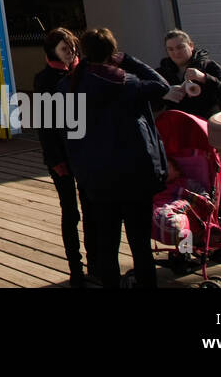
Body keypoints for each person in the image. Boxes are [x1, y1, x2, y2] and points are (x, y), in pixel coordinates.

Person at [59, 28, 170, 288]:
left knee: (107, 244)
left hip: (96, 176)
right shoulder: (126, 82)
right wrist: (129, 60)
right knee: (140, 244)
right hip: (134, 173)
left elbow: (66, 133)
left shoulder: (68, 85)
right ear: (112, 52)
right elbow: (162, 85)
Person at [35, 27, 91, 288]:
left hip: (90, 152)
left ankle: (97, 261)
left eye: (72, 48)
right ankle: (75, 266)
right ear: (52, 52)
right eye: (64, 49)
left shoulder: (87, 72)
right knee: (70, 211)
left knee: (93, 209)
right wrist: (56, 159)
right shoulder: (45, 79)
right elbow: (45, 124)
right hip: (62, 156)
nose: (70, 53)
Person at [158, 29, 221, 120]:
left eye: (180, 47)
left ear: (191, 46)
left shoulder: (209, 66)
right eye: (170, 49)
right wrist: (163, 94)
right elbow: (154, 105)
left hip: (208, 125)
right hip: (178, 126)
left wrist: (204, 78)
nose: (176, 52)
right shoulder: (161, 73)